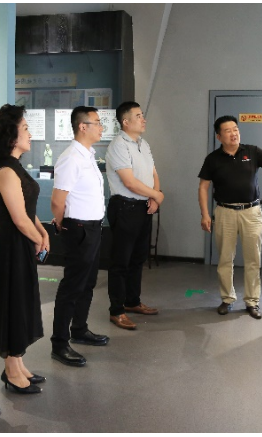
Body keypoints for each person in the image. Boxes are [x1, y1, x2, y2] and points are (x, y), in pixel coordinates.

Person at [198, 115, 262, 319]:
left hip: (252, 212)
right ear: (219, 136)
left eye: (235, 129)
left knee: (253, 259)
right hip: (225, 212)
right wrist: (205, 214)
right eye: (228, 130)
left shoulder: (252, 151)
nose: (233, 133)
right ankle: (227, 299)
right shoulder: (213, 159)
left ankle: (252, 301)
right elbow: (203, 187)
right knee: (225, 259)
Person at [0, 104, 49, 394]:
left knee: (22, 302)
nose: (30, 134)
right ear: (11, 136)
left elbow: (27, 212)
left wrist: (41, 232)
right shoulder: (6, 171)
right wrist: (38, 238)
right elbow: (19, 219)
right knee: (13, 304)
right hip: (11, 248)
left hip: (21, 245)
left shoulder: (16, 167)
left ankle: (18, 363)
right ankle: (11, 370)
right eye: (25, 129)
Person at [50, 106, 110, 367]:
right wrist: (63, 224)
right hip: (78, 228)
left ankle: (80, 329)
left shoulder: (88, 155)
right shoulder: (71, 158)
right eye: (97, 122)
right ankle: (59, 343)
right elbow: (57, 200)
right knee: (72, 286)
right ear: (83, 126)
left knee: (88, 282)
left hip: (93, 227)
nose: (102, 127)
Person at [105, 102, 164, 330]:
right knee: (121, 261)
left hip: (144, 207)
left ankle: (132, 301)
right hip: (125, 207)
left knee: (138, 258)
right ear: (126, 121)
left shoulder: (143, 144)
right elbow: (129, 182)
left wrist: (155, 196)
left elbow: (153, 173)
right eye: (138, 116)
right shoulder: (118, 146)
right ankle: (116, 310)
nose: (143, 119)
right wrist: (156, 195)